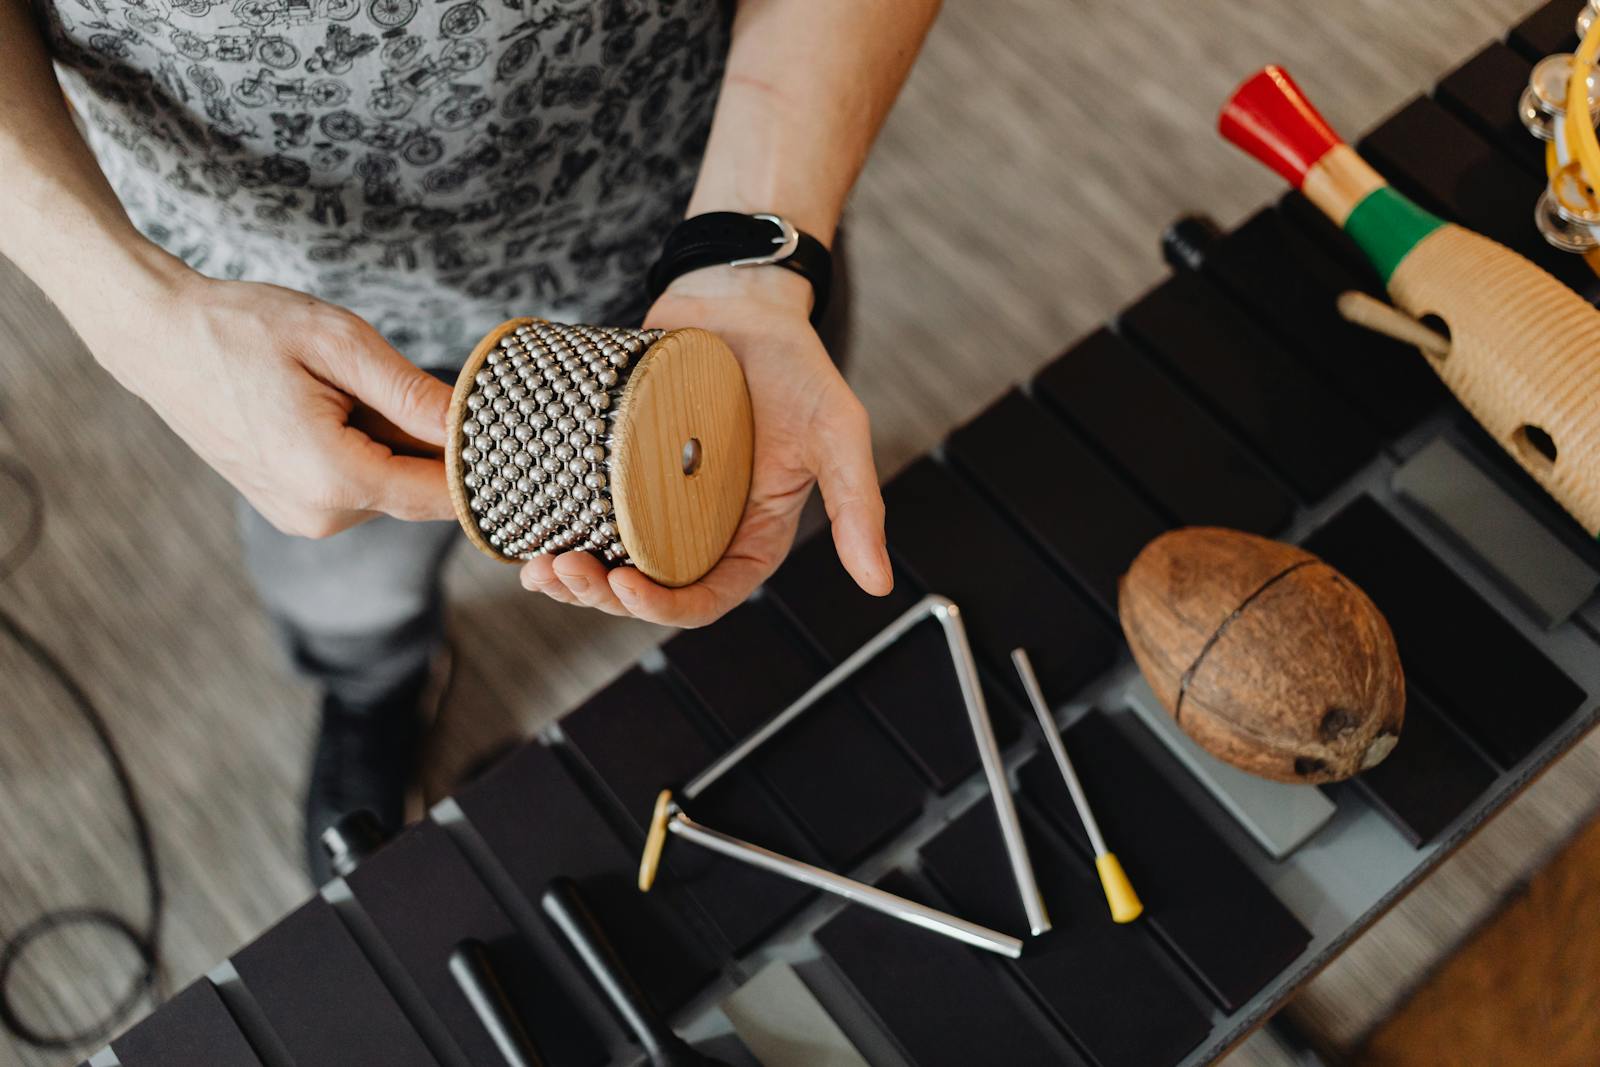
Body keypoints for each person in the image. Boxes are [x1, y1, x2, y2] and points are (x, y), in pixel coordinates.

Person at [0, 0, 941, 881]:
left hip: (699, 221)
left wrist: (751, 257)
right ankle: (373, 688)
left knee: (738, 517)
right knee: (341, 577)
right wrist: (132, 311)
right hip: (274, 307)